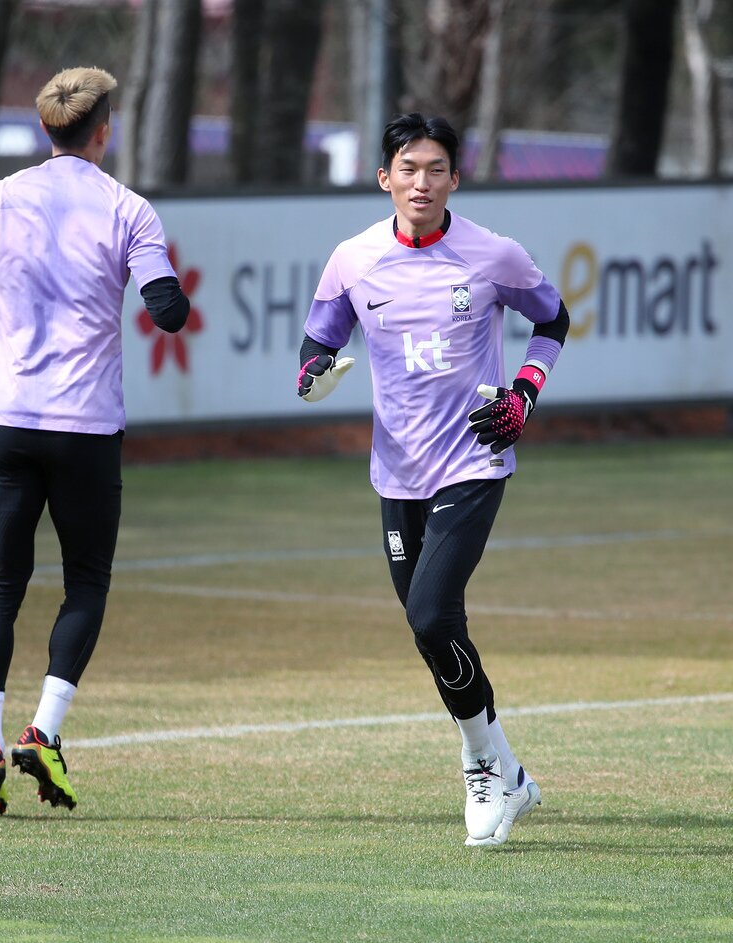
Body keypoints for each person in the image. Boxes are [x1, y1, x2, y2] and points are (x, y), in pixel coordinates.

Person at [0, 67, 190, 815]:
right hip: (85, 427)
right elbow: (166, 311)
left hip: (11, 420)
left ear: (46, 129)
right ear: (104, 130)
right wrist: (158, 285)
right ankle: (45, 729)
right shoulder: (129, 209)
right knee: (85, 581)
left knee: (1, 580)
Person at [297, 113, 570, 846]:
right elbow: (318, 340)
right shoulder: (353, 260)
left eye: (437, 169)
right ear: (385, 177)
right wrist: (313, 372)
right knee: (432, 631)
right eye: (408, 168)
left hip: (474, 461)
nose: (422, 182)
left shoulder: (494, 254)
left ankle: (481, 768)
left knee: (430, 614)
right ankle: (508, 770)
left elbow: (554, 319)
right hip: (397, 470)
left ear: (456, 178)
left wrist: (523, 393)